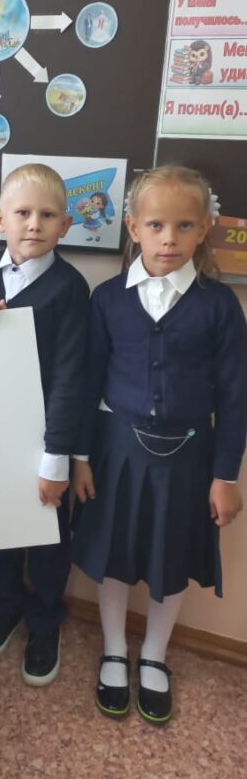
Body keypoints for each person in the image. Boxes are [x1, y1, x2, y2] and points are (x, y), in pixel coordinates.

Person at [72, 166, 247, 725]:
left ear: (204, 229)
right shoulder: (107, 299)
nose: (169, 238)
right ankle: (114, 648)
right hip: (116, 451)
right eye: (155, 225)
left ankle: (154, 654)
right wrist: (80, 457)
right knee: (116, 554)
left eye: (184, 225)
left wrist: (226, 475)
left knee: (170, 557)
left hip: (190, 458)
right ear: (133, 228)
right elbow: (88, 384)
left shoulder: (220, 306)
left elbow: (236, 397)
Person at [0, 164, 89, 686]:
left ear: (65, 225)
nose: (34, 224)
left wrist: (57, 459)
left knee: (50, 536)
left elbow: (70, 378)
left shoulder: (70, 288)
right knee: (2, 528)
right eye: (23, 213)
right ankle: (6, 604)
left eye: (47, 215)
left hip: (45, 442)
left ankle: (45, 620)